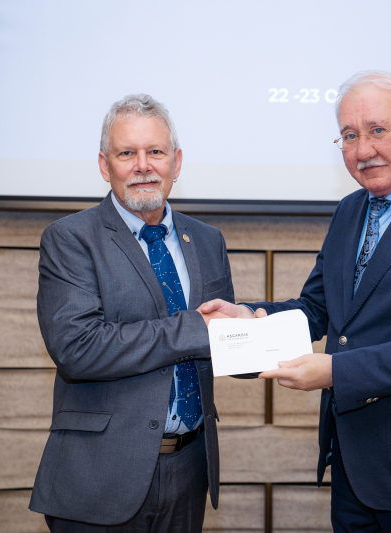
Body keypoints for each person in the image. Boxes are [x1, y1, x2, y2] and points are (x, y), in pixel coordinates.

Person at [200, 70, 391, 532]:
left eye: (377, 130)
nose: (363, 150)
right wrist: (249, 319)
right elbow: (317, 309)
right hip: (351, 467)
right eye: (349, 136)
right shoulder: (350, 209)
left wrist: (337, 373)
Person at [29, 94, 236, 532]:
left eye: (156, 151)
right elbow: (78, 349)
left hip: (189, 468)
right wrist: (196, 328)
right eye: (127, 153)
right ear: (105, 166)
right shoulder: (70, 239)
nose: (143, 165)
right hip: (100, 475)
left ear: (176, 162)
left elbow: (219, 340)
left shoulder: (208, 240)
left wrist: (261, 337)